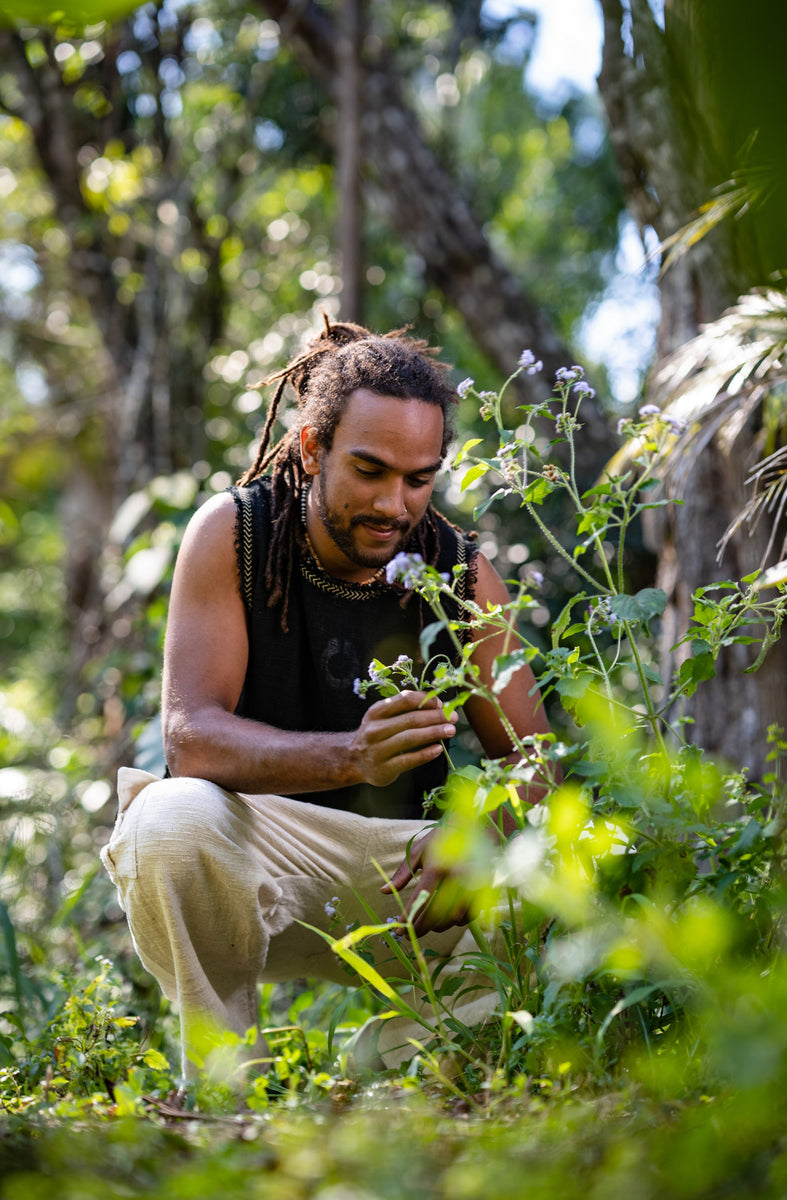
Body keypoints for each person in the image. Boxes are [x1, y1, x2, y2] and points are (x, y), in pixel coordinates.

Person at [101, 318, 552, 1079]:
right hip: (259, 853)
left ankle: (396, 1060)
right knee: (167, 821)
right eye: (370, 471)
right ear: (313, 448)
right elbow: (191, 738)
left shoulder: (462, 574)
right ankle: (226, 1082)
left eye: (419, 479)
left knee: (563, 873)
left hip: (410, 881)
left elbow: (537, 758)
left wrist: (480, 826)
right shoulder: (235, 533)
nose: (394, 504)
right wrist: (351, 756)